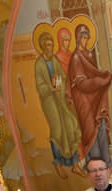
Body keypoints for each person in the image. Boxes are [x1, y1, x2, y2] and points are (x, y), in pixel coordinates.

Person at [34, 31, 81, 180]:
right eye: (47, 45)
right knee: (57, 130)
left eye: (51, 44)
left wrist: (66, 82)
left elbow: (63, 76)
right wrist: (51, 88)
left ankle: (75, 164)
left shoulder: (54, 60)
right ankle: (58, 165)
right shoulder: (39, 64)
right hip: (49, 102)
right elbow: (40, 86)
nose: (50, 47)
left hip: (60, 99)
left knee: (70, 125)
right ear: (42, 46)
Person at [68, 23, 112, 168]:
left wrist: (101, 78)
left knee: (101, 126)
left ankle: (105, 162)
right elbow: (81, 83)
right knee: (90, 131)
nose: (85, 40)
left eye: (87, 37)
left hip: (95, 99)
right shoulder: (76, 58)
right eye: (83, 37)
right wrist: (100, 81)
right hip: (84, 101)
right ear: (78, 39)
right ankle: (94, 165)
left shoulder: (88, 55)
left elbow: (93, 73)